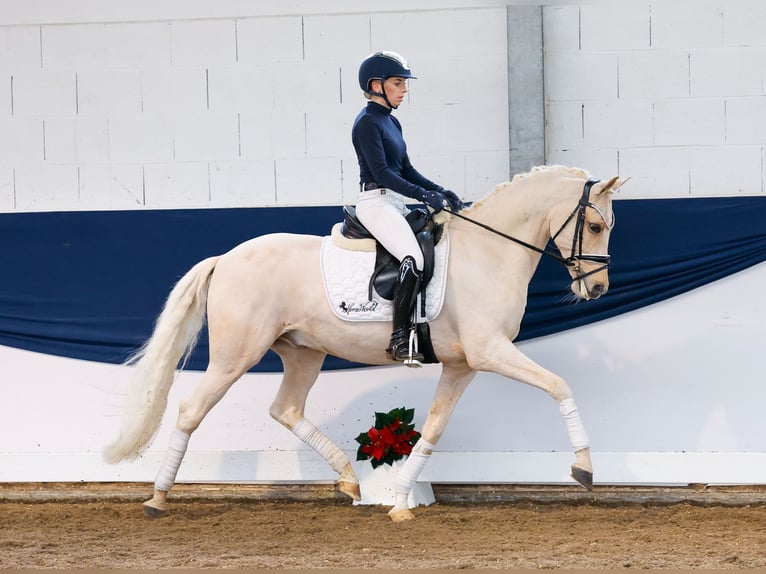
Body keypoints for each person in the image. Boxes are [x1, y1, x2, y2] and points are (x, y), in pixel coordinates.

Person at [352, 50, 463, 365]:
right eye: (398, 83)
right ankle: (399, 339)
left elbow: (406, 170)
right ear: (377, 85)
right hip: (375, 202)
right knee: (413, 258)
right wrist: (422, 196)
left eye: (404, 83)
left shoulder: (392, 122)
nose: (404, 90)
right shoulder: (366, 124)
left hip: (394, 200)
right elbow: (383, 174)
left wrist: (438, 190)